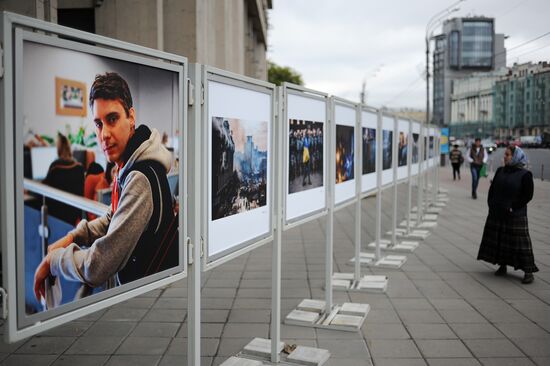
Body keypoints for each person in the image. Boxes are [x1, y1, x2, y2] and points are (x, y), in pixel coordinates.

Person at [34, 72, 177, 304]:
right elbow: (114, 218)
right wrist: (73, 236)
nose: (104, 134)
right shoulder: (128, 166)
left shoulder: (139, 177)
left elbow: (99, 265)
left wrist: (54, 261)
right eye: (99, 124)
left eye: (112, 119)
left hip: (149, 303)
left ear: (131, 117)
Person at [477, 146, 538, 284]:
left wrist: (513, 207)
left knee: (520, 243)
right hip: (497, 211)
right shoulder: (500, 171)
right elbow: (493, 189)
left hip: (515, 214)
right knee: (500, 240)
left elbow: (528, 195)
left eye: (508, 154)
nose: (505, 156)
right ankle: (502, 265)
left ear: (515, 157)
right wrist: (491, 204)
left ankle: (528, 271)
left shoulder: (525, 175)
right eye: (505, 154)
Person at [43, 133, 85, 225]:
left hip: (56, 217)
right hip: (73, 216)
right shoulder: (79, 167)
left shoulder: (55, 167)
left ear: (58, 149)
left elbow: (43, 189)